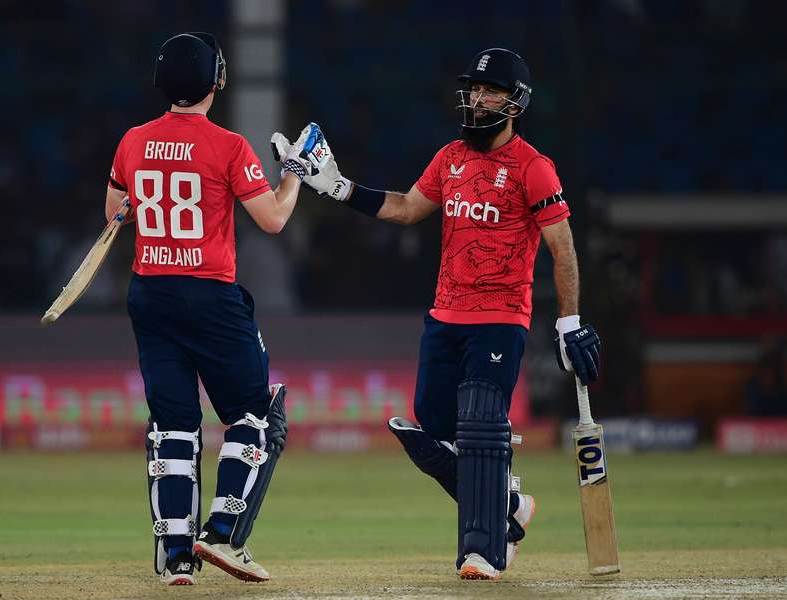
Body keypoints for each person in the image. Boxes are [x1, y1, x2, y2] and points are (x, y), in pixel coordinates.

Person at [272, 48, 601, 580]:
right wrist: (337, 187)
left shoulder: (534, 168)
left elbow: (562, 249)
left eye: (489, 90)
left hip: (501, 315)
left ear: (515, 102)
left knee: (478, 425)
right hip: (446, 314)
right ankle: (508, 506)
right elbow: (405, 208)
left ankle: (484, 550)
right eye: (473, 89)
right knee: (434, 422)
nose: (477, 98)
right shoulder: (450, 157)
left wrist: (568, 320)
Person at [106, 32, 323, 585]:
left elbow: (116, 212)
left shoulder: (133, 141)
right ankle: (222, 534)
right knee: (251, 414)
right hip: (209, 295)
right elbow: (273, 220)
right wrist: (294, 172)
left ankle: (175, 555)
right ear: (216, 81)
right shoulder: (227, 146)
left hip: (149, 294)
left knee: (174, 426)